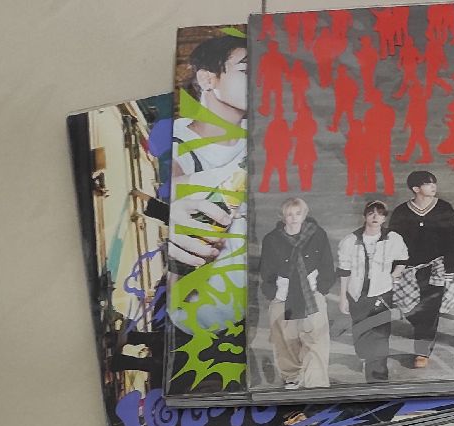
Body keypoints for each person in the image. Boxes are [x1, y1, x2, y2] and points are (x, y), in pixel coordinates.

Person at [166, 36, 249, 274]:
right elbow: (163, 190)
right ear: (207, 79)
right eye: (246, 70)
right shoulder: (174, 141)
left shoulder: (262, 134)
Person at [258, 198, 337, 389]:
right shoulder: (272, 239)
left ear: (304, 214)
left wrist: (322, 289)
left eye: (298, 213)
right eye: (289, 214)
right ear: (283, 217)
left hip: (311, 295)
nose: (294, 218)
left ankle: (315, 383)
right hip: (284, 296)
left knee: (316, 340)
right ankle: (291, 377)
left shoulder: (317, 234)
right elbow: (266, 270)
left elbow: (327, 263)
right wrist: (273, 293)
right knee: (285, 342)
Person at [388, 170, 454, 369]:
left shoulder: (444, 208)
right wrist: (394, 270)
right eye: (428, 184)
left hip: (436, 268)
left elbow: (452, 240)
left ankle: (422, 352)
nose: (433, 186)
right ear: (416, 189)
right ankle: (421, 328)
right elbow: (393, 243)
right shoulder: (402, 212)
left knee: (430, 310)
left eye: (434, 183)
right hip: (408, 270)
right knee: (410, 309)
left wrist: (450, 270)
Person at [337, 201, 408, 383]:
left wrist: (394, 274)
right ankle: (364, 356)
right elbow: (344, 271)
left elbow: (403, 259)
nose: (375, 217)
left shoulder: (393, 238)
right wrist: (343, 297)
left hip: (382, 294)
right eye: (371, 213)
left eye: (380, 214)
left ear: (384, 218)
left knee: (380, 336)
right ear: (365, 217)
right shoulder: (350, 241)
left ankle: (378, 379)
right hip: (357, 295)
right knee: (361, 331)